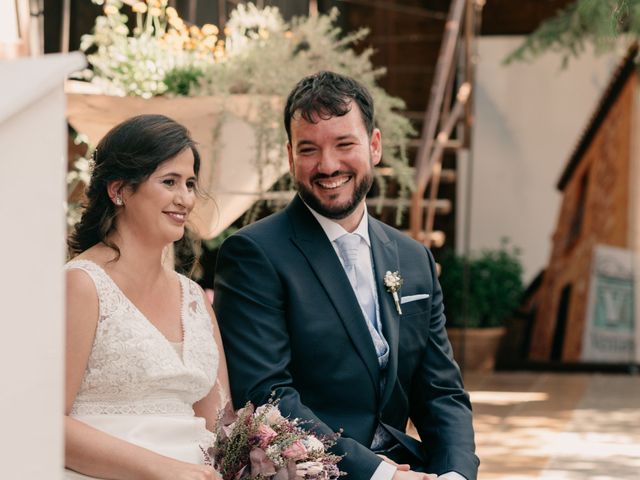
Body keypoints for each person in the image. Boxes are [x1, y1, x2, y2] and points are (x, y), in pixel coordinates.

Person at [214, 72, 479, 480]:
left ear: (374, 146)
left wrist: (454, 474)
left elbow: (441, 392)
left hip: (412, 466)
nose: (328, 165)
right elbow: (267, 397)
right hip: (312, 472)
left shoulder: (414, 259)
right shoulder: (254, 255)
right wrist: (381, 475)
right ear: (289, 156)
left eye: (344, 144)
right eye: (309, 149)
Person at [65, 114, 229, 480]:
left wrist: (276, 448)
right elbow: (44, 424)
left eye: (189, 183)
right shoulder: (82, 285)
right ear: (119, 189)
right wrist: (165, 470)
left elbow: (220, 426)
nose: (185, 198)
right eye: (169, 181)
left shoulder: (195, 300)